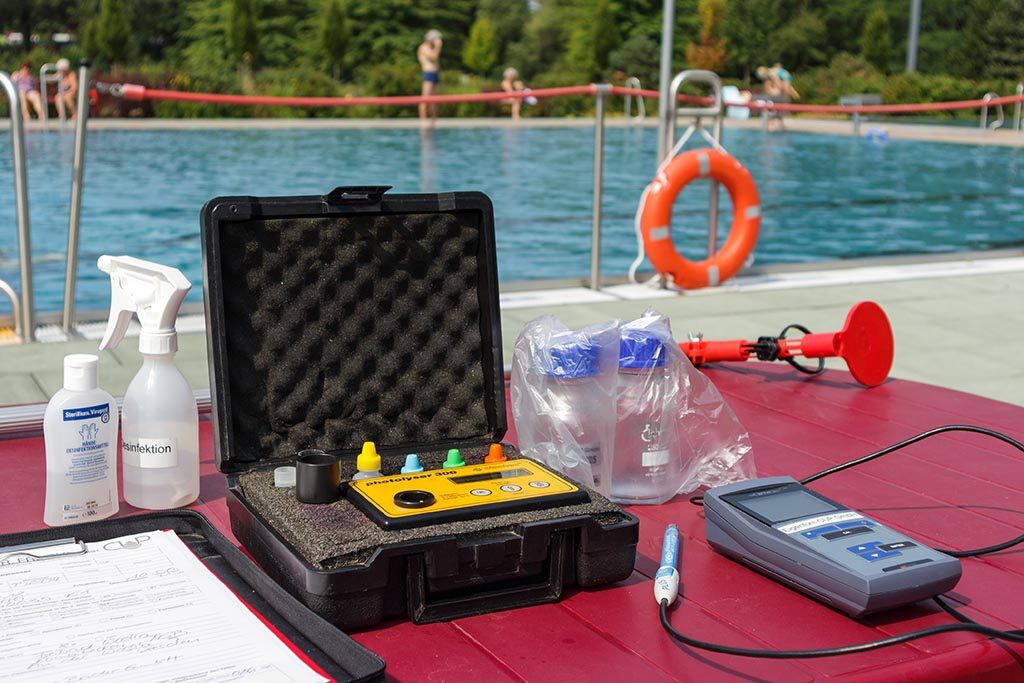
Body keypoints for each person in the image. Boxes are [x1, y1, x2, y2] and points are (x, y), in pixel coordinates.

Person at [417, 29, 443, 126]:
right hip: (428, 74)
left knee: (435, 100)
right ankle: (423, 122)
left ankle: (434, 121)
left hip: (435, 74)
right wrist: (438, 46)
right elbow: (434, 57)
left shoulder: (432, 48)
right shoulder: (423, 48)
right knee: (425, 98)